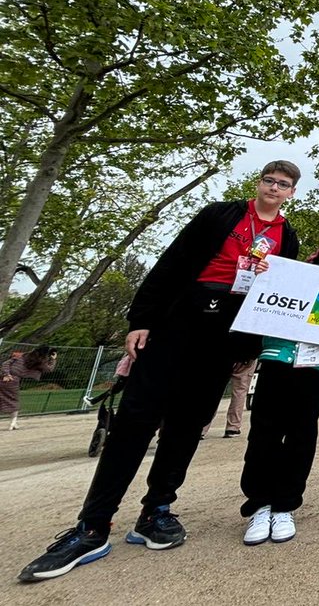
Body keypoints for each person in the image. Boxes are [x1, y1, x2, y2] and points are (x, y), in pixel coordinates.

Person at [17, 161, 301, 582]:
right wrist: (141, 319)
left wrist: (248, 346)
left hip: (225, 333)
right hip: (179, 320)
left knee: (188, 424)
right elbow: (172, 262)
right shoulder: (220, 214)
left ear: (291, 193)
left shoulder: (287, 236)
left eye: (283, 185)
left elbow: (272, 296)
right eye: (269, 181)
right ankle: (93, 525)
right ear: (258, 184)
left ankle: (157, 511)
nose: (274, 188)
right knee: (135, 420)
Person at [241, 222, 319, 545]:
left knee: (301, 437)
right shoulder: (297, 272)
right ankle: (260, 504)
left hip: (314, 366)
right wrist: (262, 273)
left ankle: (285, 505)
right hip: (276, 359)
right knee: (264, 435)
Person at [1, 345, 58, 431]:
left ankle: (14, 423)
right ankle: (13, 422)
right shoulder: (39, 362)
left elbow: (6, 363)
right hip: (13, 380)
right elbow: (49, 369)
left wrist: (6, 374)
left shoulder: (21, 356)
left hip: (3, 377)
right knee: (13, 401)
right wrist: (53, 359)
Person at [200, 359, 256, 439]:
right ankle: (232, 428)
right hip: (247, 357)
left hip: (225, 353)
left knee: (214, 389)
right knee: (240, 390)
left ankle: (202, 426)